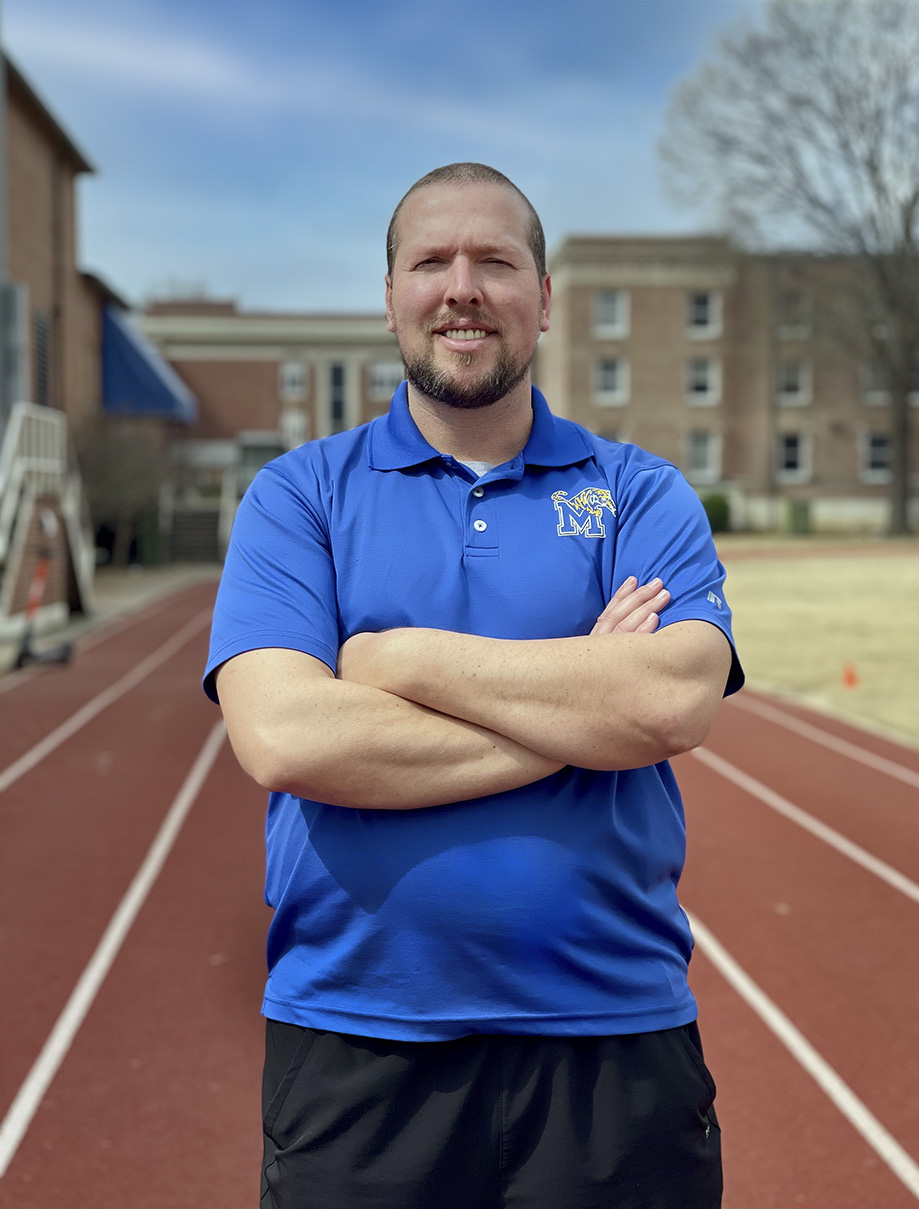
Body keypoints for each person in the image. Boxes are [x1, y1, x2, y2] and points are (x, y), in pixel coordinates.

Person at [205, 162, 744, 1209]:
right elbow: (284, 740)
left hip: (613, 1044)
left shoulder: (638, 492)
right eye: (430, 262)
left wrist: (395, 661)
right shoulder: (298, 496)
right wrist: (588, 709)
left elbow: (675, 703)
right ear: (393, 295)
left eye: (496, 261)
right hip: (359, 1044)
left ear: (543, 299)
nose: (463, 287)